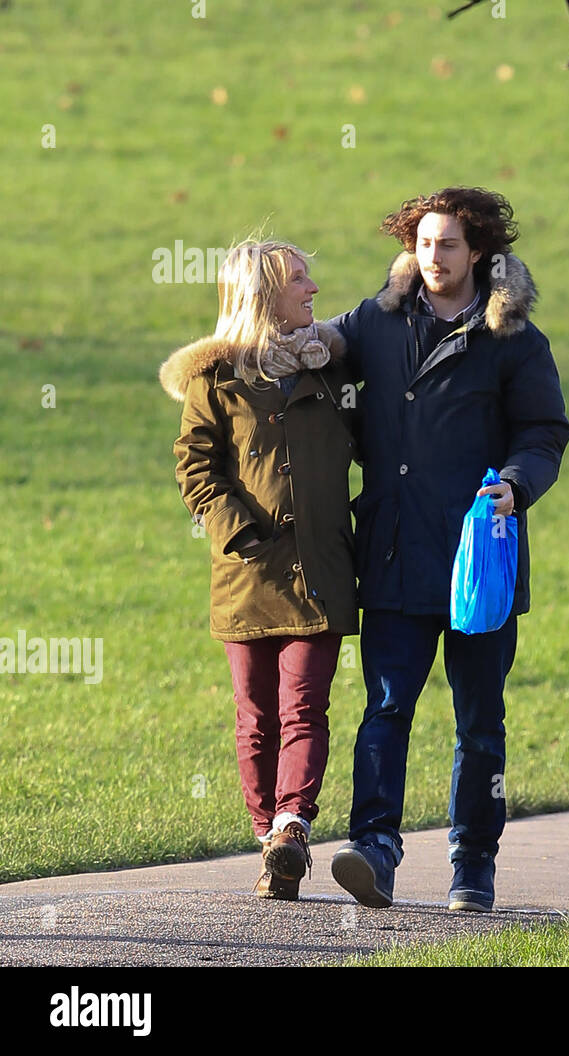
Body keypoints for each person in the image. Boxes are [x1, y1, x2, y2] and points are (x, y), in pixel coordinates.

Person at [327, 186, 569, 912]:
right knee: (386, 707)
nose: (435, 256)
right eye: (425, 243)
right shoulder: (377, 319)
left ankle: (474, 864)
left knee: (480, 722)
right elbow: (327, 351)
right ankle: (373, 848)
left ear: (479, 253)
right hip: (395, 553)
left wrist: (518, 485)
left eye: (450, 245)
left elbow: (544, 431)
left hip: (481, 564)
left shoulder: (514, 339)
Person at [159, 239, 359, 901]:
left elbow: (378, 446)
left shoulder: (330, 371)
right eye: (299, 279)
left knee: (305, 706)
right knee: (256, 719)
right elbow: (196, 471)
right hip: (246, 578)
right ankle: (269, 841)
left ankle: (291, 828)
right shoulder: (214, 383)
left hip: (321, 573)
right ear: (262, 294)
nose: (313, 289)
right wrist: (238, 533)